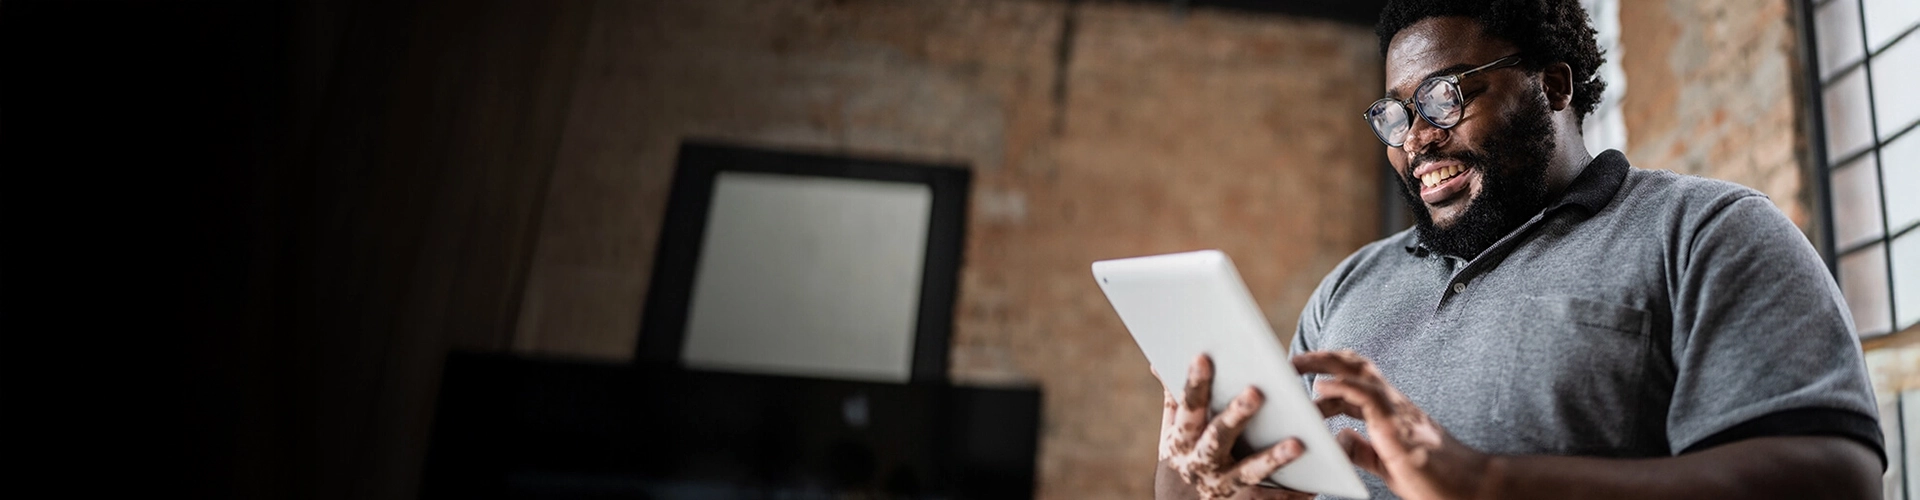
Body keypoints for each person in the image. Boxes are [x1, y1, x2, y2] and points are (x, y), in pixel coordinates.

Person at [1150, 1, 1887, 499]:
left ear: (1553, 84)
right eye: (1397, 114)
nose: (1415, 138)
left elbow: (1837, 473)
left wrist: (1486, 481)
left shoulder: (1704, 231)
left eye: (1444, 96)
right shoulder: (1347, 287)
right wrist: (1195, 480)